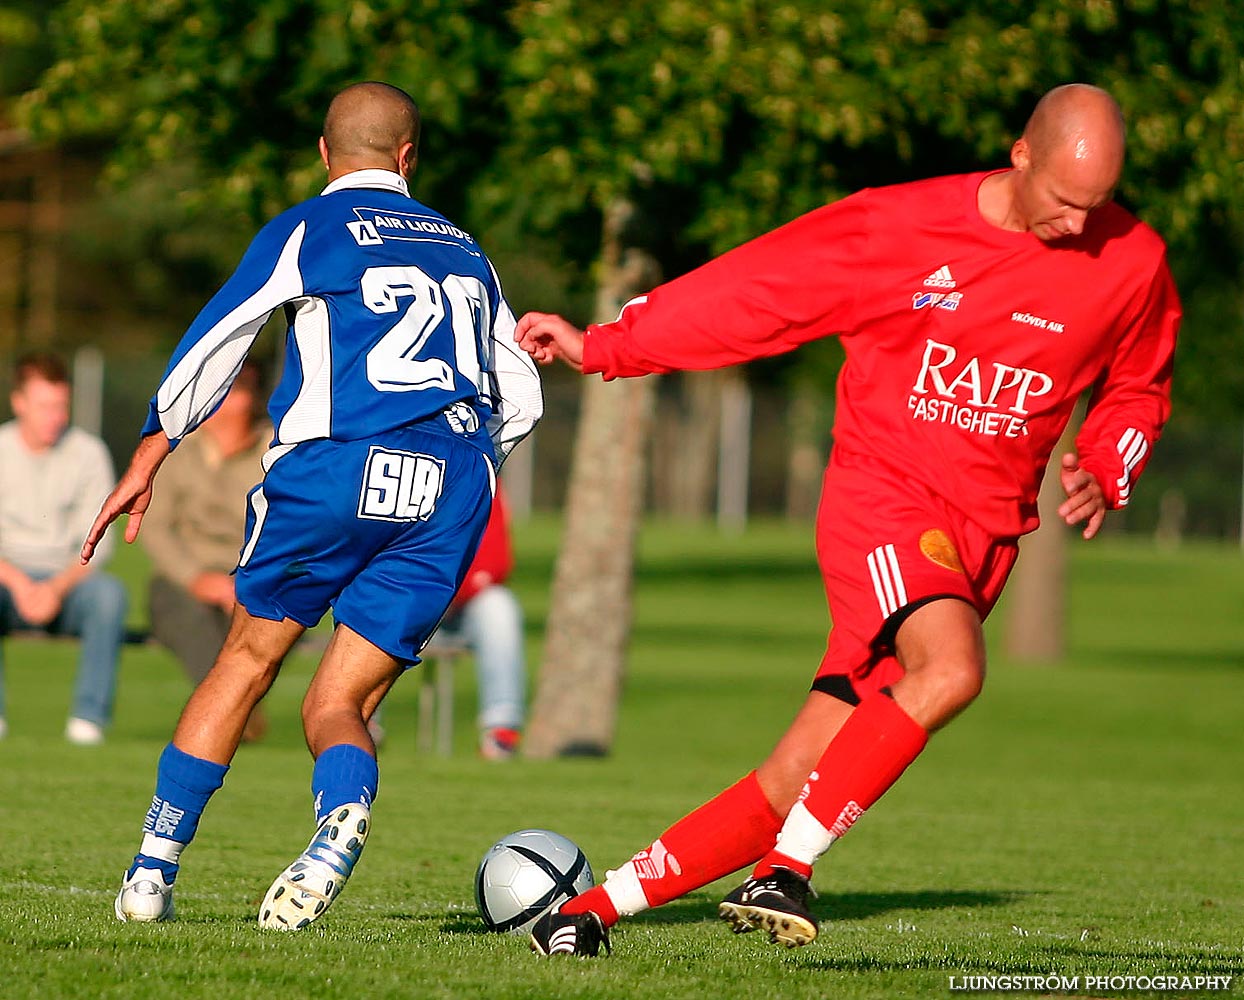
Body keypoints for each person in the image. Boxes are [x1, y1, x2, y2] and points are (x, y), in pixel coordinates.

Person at [515, 83, 1180, 957]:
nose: (1078, 223)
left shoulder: (1133, 258)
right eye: (1063, 200)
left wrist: (1104, 462)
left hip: (984, 541)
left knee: (795, 778)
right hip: (885, 500)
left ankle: (587, 912)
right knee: (953, 669)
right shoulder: (900, 228)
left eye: (1096, 204)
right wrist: (606, 344)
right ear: (1021, 153)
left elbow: (1139, 384)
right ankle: (787, 870)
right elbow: (758, 293)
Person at [82, 81, 542, 929]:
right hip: (449, 485)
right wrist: (471, 465)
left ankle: (152, 872)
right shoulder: (465, 247)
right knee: (338, 704)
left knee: (249, 661)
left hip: (334, 466)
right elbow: (520, 390)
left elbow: (220, 337)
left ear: (326, 155)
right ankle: (337, 822)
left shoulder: (310, 227)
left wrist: (151, 450)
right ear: (410, 158)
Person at [139, 360, 272, 743]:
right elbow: (156, 527)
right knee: (186, 611)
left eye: (239, 390)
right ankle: (238, 713)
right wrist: (196, 579)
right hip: (182, 578)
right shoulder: (177, 447)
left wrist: (246, 579)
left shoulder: (276, 449)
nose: (229, 401)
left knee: (271, 613)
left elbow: (286, 526)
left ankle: (229, 713)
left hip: (248, 576)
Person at [0, 352, 127, 746]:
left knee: (110, 595)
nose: (55, 416)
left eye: (61, 406)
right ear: (18, 402)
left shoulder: (89, 454)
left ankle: (88, 720)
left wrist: (55, 588)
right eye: (45, 406)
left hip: (69, 583)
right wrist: (21, 585)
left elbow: (97, 544)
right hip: (7, 580)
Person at [441, 483, 527, 760]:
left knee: (499, 606)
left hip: (464, 607)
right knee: (369, 599)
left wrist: (453, 595)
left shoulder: (483, 472)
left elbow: (495, 559)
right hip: (407, 600)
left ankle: (502, 732)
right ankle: (360, 721)